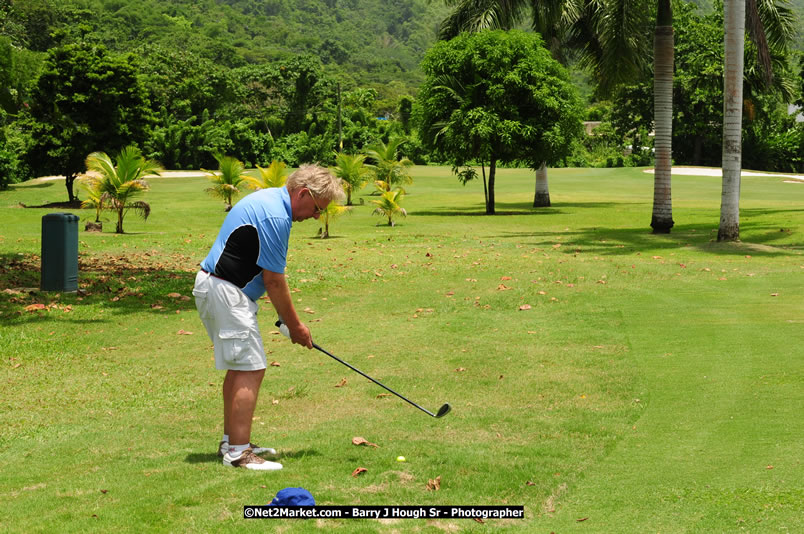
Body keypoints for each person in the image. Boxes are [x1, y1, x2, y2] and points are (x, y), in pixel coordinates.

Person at [193, 164, 344, 471]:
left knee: (241, 368)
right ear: (302, 194)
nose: (316, 216)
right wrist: (296, 326)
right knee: (250, 368)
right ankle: (238, 453)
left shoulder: (271, 202)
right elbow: (274, 280)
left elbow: (265, 275)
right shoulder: (276, 216)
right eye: (317, 208)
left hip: (221, 289)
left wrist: (287, 321)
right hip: (225, 291)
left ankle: (234, 442)